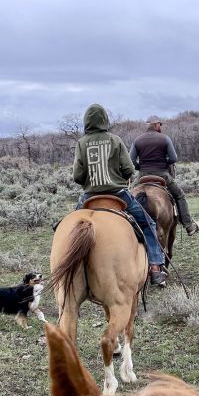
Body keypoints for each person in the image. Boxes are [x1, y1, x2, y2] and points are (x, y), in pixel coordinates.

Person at [73, 103, 168, 286]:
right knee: (148, 224)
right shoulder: (115, 140)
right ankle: (155, 268)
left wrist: (90, 181)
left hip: (89, 196)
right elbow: (128, 169)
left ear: (87, 122)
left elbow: (77, 176)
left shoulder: (81, 143)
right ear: (104, 121)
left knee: (70, 228)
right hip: (118, 194)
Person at [129, 115, 199, 235]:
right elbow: (173, 158)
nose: (161, 126)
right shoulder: (164, 138)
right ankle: (189, 226)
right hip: (162, 174)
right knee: (179, 196)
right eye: (160, 124)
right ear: (155, 125)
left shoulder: (137, 140)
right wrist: (164, 163)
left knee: (129, 195)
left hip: (142, 175)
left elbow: (131, 160)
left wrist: (140, 167)